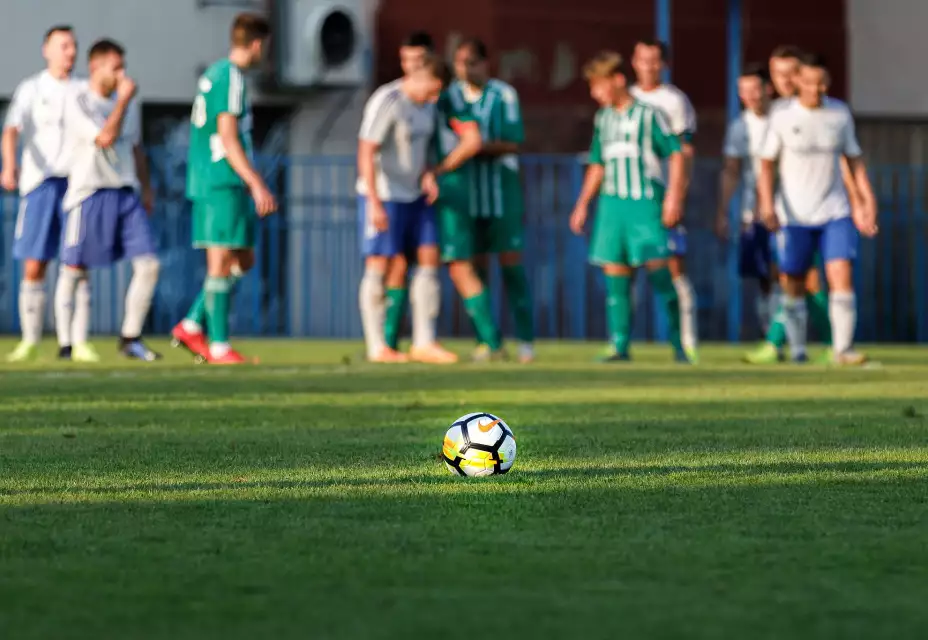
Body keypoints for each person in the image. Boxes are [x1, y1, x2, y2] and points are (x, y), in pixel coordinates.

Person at [357, 54, 481, 364]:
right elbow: (366, 150)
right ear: (421, 77)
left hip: (415, 195)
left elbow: (418, 150)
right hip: (385, 194)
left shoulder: (427, 106)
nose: (435, 97)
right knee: (380, 264)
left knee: (429, 257)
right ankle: (377, 347)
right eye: (434, 89)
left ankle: (424, 341)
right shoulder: (388, 99)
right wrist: (373, 201)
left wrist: (427, 173)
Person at [758, 53, 877, 365]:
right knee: (794, 281)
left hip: (834, 211)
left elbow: (853, 160)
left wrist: (866, 201)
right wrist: (766, 203)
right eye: (809, 82)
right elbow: (766, 165)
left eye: (821, 82)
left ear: (828, 82)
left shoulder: (839, 114)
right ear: (798, 81)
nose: (815, 88)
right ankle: (798, 350)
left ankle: (842, 349)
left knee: (841, 272)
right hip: (794, 214)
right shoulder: (782, 117)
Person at [569, 51, 688, 363]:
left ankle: (679, 344)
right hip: (612, 207)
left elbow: (676, 153)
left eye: (599, 86)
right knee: (615, 275)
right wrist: (582, 204)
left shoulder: (649, 115)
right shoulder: (603, 118)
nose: (595, 94)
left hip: (645, 204)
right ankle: (619, 345)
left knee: (661, 274)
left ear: (618, 81)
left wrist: (673, 197)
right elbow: (597, 164)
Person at [172, 13, 276, 365]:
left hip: (224, 181)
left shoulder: (217, 73)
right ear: (258, 44)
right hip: (220, 180)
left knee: (243, 258)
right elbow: (228, 138)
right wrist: (256, 182)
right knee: (220, 261)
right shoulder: (230, 77)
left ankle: (191, 323)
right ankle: (218, 346)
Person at [57, 39, 161, 361]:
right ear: (95, 67)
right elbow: (105, 138)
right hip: (89, 192)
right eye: (115, 67)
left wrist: (145, 188)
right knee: (75, 269)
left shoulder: (126, 103)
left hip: (125, 193)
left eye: (123, 67)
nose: (121, 74)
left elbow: (134, 147)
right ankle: (66, 344)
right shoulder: (79, 100)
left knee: (149, 264)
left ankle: (131, 338)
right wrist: (124, 101)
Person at [450, 38, 534, 363]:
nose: (465, 69)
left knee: (511, 267)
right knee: (474, 269)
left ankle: (526, 341)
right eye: (460, 62)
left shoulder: (504, 95)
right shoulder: (451, 95)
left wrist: (472, 149)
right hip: (466, 197)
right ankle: (488, 340)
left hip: (502, 195)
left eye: (472, 62)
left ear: (486, 63)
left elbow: (513, 143)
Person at [2, 26, 79, 362]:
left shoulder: (82, 90)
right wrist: (9, 166)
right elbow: (11, 130)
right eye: (63, 45)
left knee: (76, 264)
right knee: (35, 264)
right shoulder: (31, 88)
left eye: (73, 45)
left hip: (78, 185)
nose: (70, 51)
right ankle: (30, 339)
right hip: (40, 185)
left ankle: (71, 342)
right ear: (46, 49)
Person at [630, 39, 699, 362]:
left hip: (660, 196)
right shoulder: (626, 99)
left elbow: (684, 151)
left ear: (665, 64)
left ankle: (686, 342)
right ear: (634, 62)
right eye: (644, 60)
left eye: (655, 61)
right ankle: (621, 344)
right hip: (628, 199)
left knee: (673, 267)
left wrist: (676, 195)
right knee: (624, 268)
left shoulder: (674, 101)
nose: (649, 66)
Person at [715, 64, 778, 336]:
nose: (750, 96)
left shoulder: (785, 117)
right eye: (743, 91)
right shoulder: (740, 127)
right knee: (765, 277)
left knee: (791, 273)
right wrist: (722, 211)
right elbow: (731, 171)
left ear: (769, 88)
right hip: (755, 212)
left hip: (794, 208)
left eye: (755, 89)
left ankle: (788, 338)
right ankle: (772, 335)